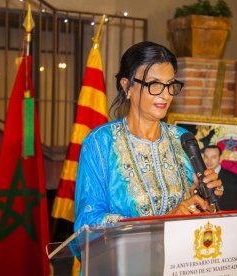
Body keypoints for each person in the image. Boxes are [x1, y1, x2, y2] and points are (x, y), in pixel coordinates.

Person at [74, 41, 223, 232]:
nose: (166, 95)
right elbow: (88, 222)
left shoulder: (182, 139)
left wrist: (204, 198)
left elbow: (196, 211)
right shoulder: (101, 142)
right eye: (154, 84)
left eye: (170, 85)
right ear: (127, 86)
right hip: (126, 260)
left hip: (180, 258)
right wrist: (162, 221)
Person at [203, 145, 237, 210]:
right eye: (206, 157)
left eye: (213, 157)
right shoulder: (198, 177)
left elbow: (235, 207)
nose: (209, 161)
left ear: (220, 158)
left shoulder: (233, 178)